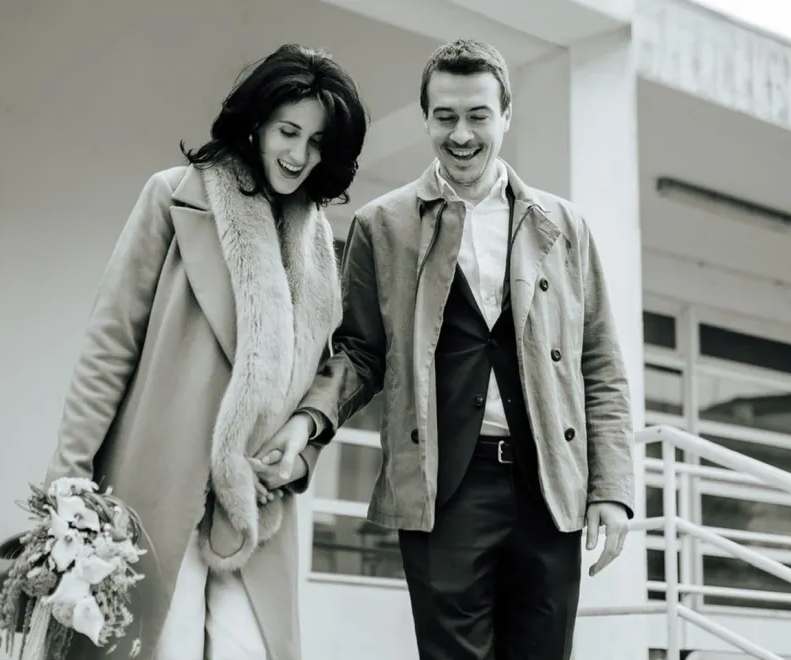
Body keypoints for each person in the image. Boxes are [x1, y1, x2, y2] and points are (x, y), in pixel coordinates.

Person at [259, 39, 636, 660]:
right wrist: (308, 420)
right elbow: (359, 352)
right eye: (445, 116)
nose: (461, 134)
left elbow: (600, 362)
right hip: (443, 491)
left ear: (506, 115)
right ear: (426, 118)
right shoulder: (382, 226)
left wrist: (612, 489)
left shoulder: (565, 227)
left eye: (478, 115)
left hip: (549, 488)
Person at [40, 44, 367, 660]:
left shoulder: (318, 241)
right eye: (288, 132)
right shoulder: (173, 197)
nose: (299, 155)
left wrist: (296, 459)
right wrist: (69, 487)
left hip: (255, 505)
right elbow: (110, 344)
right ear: (257, 123)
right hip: (158, 491)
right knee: (163, 646)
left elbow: (322, 370)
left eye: (317, 142)